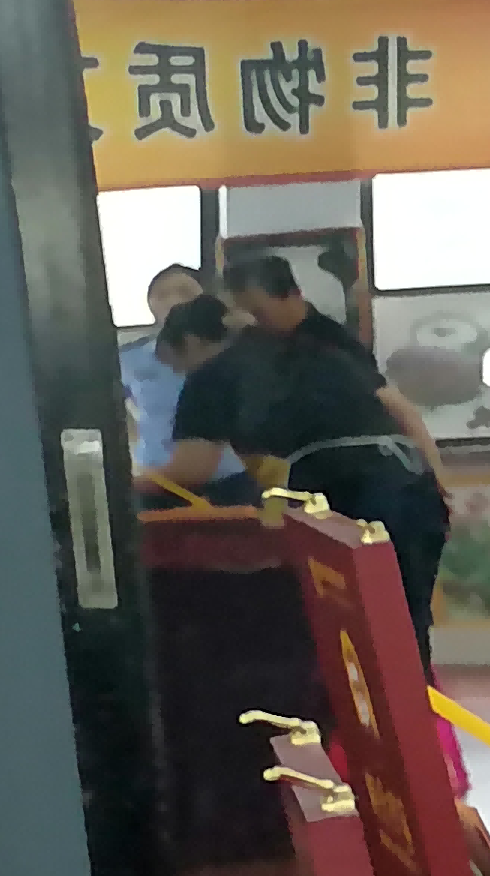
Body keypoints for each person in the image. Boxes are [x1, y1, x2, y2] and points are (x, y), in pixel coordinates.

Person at [142, 253, 452, 638]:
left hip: (347, 494)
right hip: (414, 486)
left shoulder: (209, 376)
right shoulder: (313, 347)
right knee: (404, 622)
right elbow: (396, 407)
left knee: (352, 628)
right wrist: (438, 477)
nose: (180, 375)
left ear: (190, 343)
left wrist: (123, 481)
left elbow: (194, 469)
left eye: (176, 364)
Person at [116, 263, 236, 493]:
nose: (173, 301)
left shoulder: (226, 354)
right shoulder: (129, 358)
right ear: (150, 304)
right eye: (162, 294)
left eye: (184, 291)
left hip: (221, 478)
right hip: (155, 480)